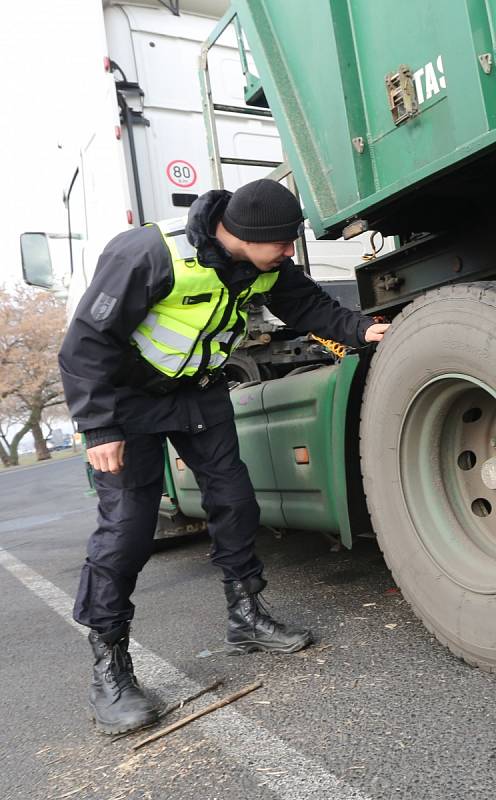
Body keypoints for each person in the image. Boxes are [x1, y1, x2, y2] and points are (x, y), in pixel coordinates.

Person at [59, 178, 389, 735]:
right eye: (283, 243)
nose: (289, 252)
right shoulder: (147, 254)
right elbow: (86, 342)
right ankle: (109, 669)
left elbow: (306, 304)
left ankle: (246, 616)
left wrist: (362, 329)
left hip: (197, 393)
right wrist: (99, 429)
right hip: (127, 402)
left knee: (235, 501)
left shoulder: (261, 264)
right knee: (127, 531)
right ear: (244, 233)